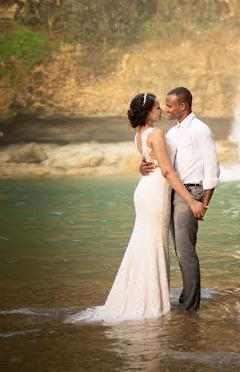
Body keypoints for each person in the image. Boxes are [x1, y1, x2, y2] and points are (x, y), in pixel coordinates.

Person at [68, 93, 206, 323]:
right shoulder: (156, 133)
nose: (161, 110)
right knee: (152, 243)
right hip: (155, 193)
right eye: (157, 107)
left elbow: (149, 161)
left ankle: (142, 294)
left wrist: (142, 167)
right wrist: (192, 201)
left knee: (145, 241)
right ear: (148, 111)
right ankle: (150, 300)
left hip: (145, 190)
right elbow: (168, 171)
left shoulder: (139, 135)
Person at [140, 86, 220, 312]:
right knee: (180, 251)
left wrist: (204, 202)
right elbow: (163, 163)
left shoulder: (200, 130)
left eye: (169, 105)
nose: (166, 109)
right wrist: (143, 165)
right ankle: (186, 297)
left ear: (182, 106)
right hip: (173, 192)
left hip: (191, 193)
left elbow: (212, 169)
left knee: (185, 252)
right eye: (164, 105)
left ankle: (191, 307)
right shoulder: (173, 133)